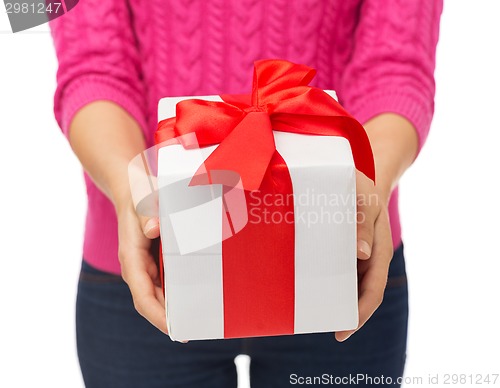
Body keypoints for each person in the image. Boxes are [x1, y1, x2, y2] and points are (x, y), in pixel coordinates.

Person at [49, 1, 443, 387]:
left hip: (342, 255)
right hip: (147, 266)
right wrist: (129, 189)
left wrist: (368, 184)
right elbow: (88, 65)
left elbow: (398, 66)